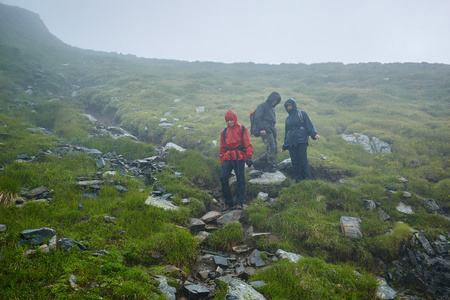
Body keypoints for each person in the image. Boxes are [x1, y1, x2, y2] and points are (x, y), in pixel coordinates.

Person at [220, 109, 253, 210]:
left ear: (234, 119)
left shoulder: (242, 128)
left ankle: (239, 202)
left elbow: (248, 143)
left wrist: (249, 156)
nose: (229, 122)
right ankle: (229, 202)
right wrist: (222, 159)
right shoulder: (224, 131)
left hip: (239, 156)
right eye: (227, 120)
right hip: (228, 156)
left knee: (240, 179)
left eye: (231, 120)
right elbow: (222, 147)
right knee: (223, 178)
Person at [281, 98, 319, 183]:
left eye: (289, 105)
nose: (288, 107)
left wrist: (314, 134)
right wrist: (284, 146)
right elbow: (286, 132)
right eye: (286, 106)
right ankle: (298, 180)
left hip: (302, 140)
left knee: (303, 160)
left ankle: (308, 179)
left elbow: (309, 124)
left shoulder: (302, 114)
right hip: (291, 142)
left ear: (293, 105)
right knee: (294, 162)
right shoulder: (288, 119)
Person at [252, 91, 281, 173]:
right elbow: (258, 117)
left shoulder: (272, 108)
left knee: (275, 149)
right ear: (271, 98)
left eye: (277, 100)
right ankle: (271, 166)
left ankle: (257, 162)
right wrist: (261, 129)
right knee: (271, 147)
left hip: (272, 130)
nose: (275, 101)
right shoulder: (262, 106)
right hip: (265, 130)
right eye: (275, 99)